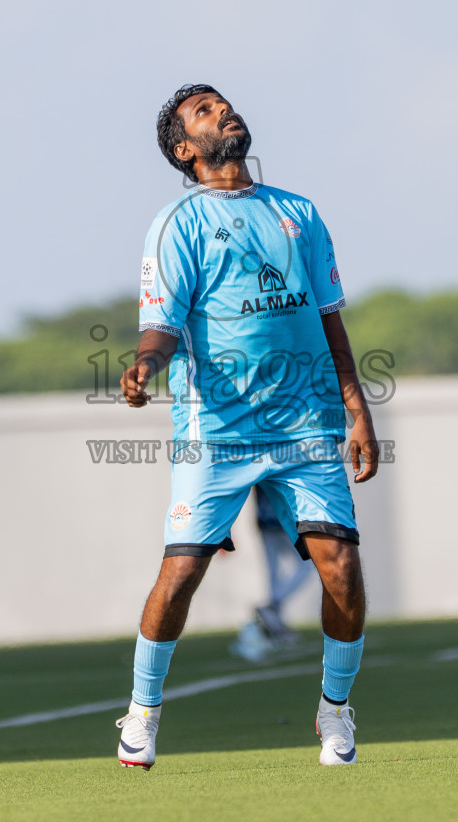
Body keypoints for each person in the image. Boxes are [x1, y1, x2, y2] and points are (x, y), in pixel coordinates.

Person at [115, 84, 380, 769]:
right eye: (204, 112)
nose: (223, 112)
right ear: (184, 149)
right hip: (219, 432)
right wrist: (145, 368)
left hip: (307, 425)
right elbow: (161, 325)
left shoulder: (298, 211)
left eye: (223, 104)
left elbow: (328, 319)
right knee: (179, 577)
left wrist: (357, 409)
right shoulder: (178, 223)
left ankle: (336, 710)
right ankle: (142, 711)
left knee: (343, 572)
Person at [230, 486, 318, 662]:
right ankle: (273, 608)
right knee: (305, 565)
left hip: (265, 520)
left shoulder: (254, 460)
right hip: (282, 518)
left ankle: (274, 623)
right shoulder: (283, 459)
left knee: (274, 573)